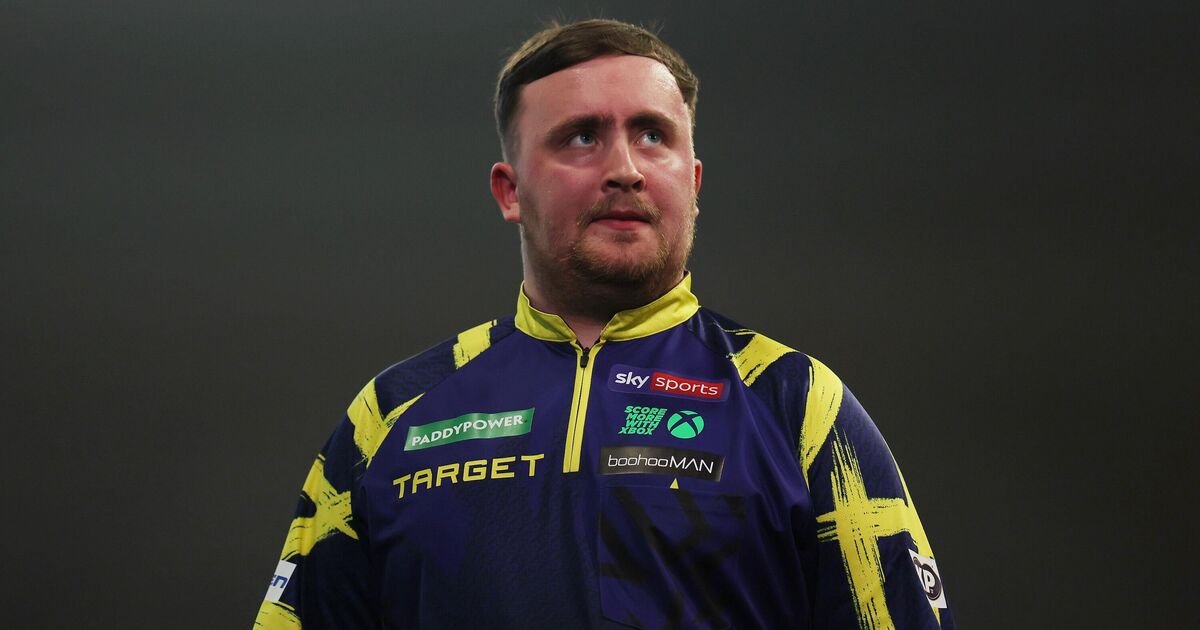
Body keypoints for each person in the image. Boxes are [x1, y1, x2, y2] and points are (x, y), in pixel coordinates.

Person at [254, 18, 954, 630]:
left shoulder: (797, 406)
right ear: (510, 190)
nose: (625, 169)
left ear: (693, 181)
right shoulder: (389, 418)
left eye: (653, 135)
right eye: (582, 137)